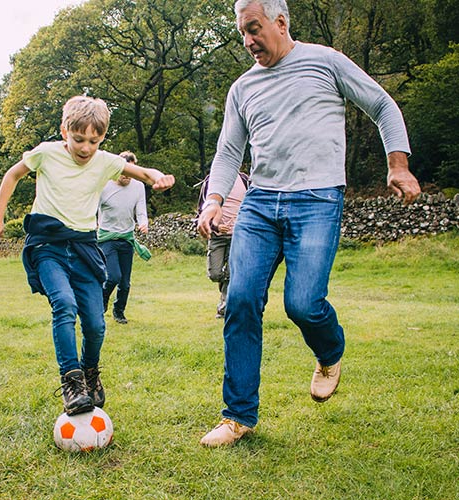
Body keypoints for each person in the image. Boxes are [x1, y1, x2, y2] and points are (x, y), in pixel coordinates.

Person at [197, 0, 421, 447]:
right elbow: (227, 152)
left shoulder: (325, 62)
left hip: (318, 199)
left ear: (281, 22)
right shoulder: (242, 88)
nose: (247, 41)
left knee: (303, 303)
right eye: (242, 32)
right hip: (260, 203)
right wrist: (215, 200)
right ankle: (237, 416)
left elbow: (381, 104)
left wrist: (398, 165)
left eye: (254, 29)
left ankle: (329, 352)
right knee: (240, 299)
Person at [0, 96, 175, 416]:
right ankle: (72, 383)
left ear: (102, 138)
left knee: (95, 323)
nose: (86, 148)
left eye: (94, 141)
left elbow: (142, 171)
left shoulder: (105, 161)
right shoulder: (46, 154)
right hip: (48, 245)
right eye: (78, 139)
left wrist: (158, 177)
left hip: (86, 248)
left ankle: (90, 373)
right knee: (64, 304)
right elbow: (13, 175)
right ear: (64, 131)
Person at [98, 150, 150, 324]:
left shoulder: (138, 186)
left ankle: (119, 312)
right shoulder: (104, 185)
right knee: (113, 276)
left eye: (131, 172)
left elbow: (141, 210)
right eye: (124, 171)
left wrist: (143, 223)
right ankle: (101, 303)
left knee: (125, 283)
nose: (127, 176)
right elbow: (92, 208)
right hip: (106, 237)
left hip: (126, 238)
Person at [197, 171, 249, 318]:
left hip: (238, 235)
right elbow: (202, 209)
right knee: (215, 274)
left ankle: (224, 308)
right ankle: (225, 284)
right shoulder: (212, 181)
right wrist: (216, 227)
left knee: (233, 273)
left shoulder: (245, 180)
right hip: (217, 237)